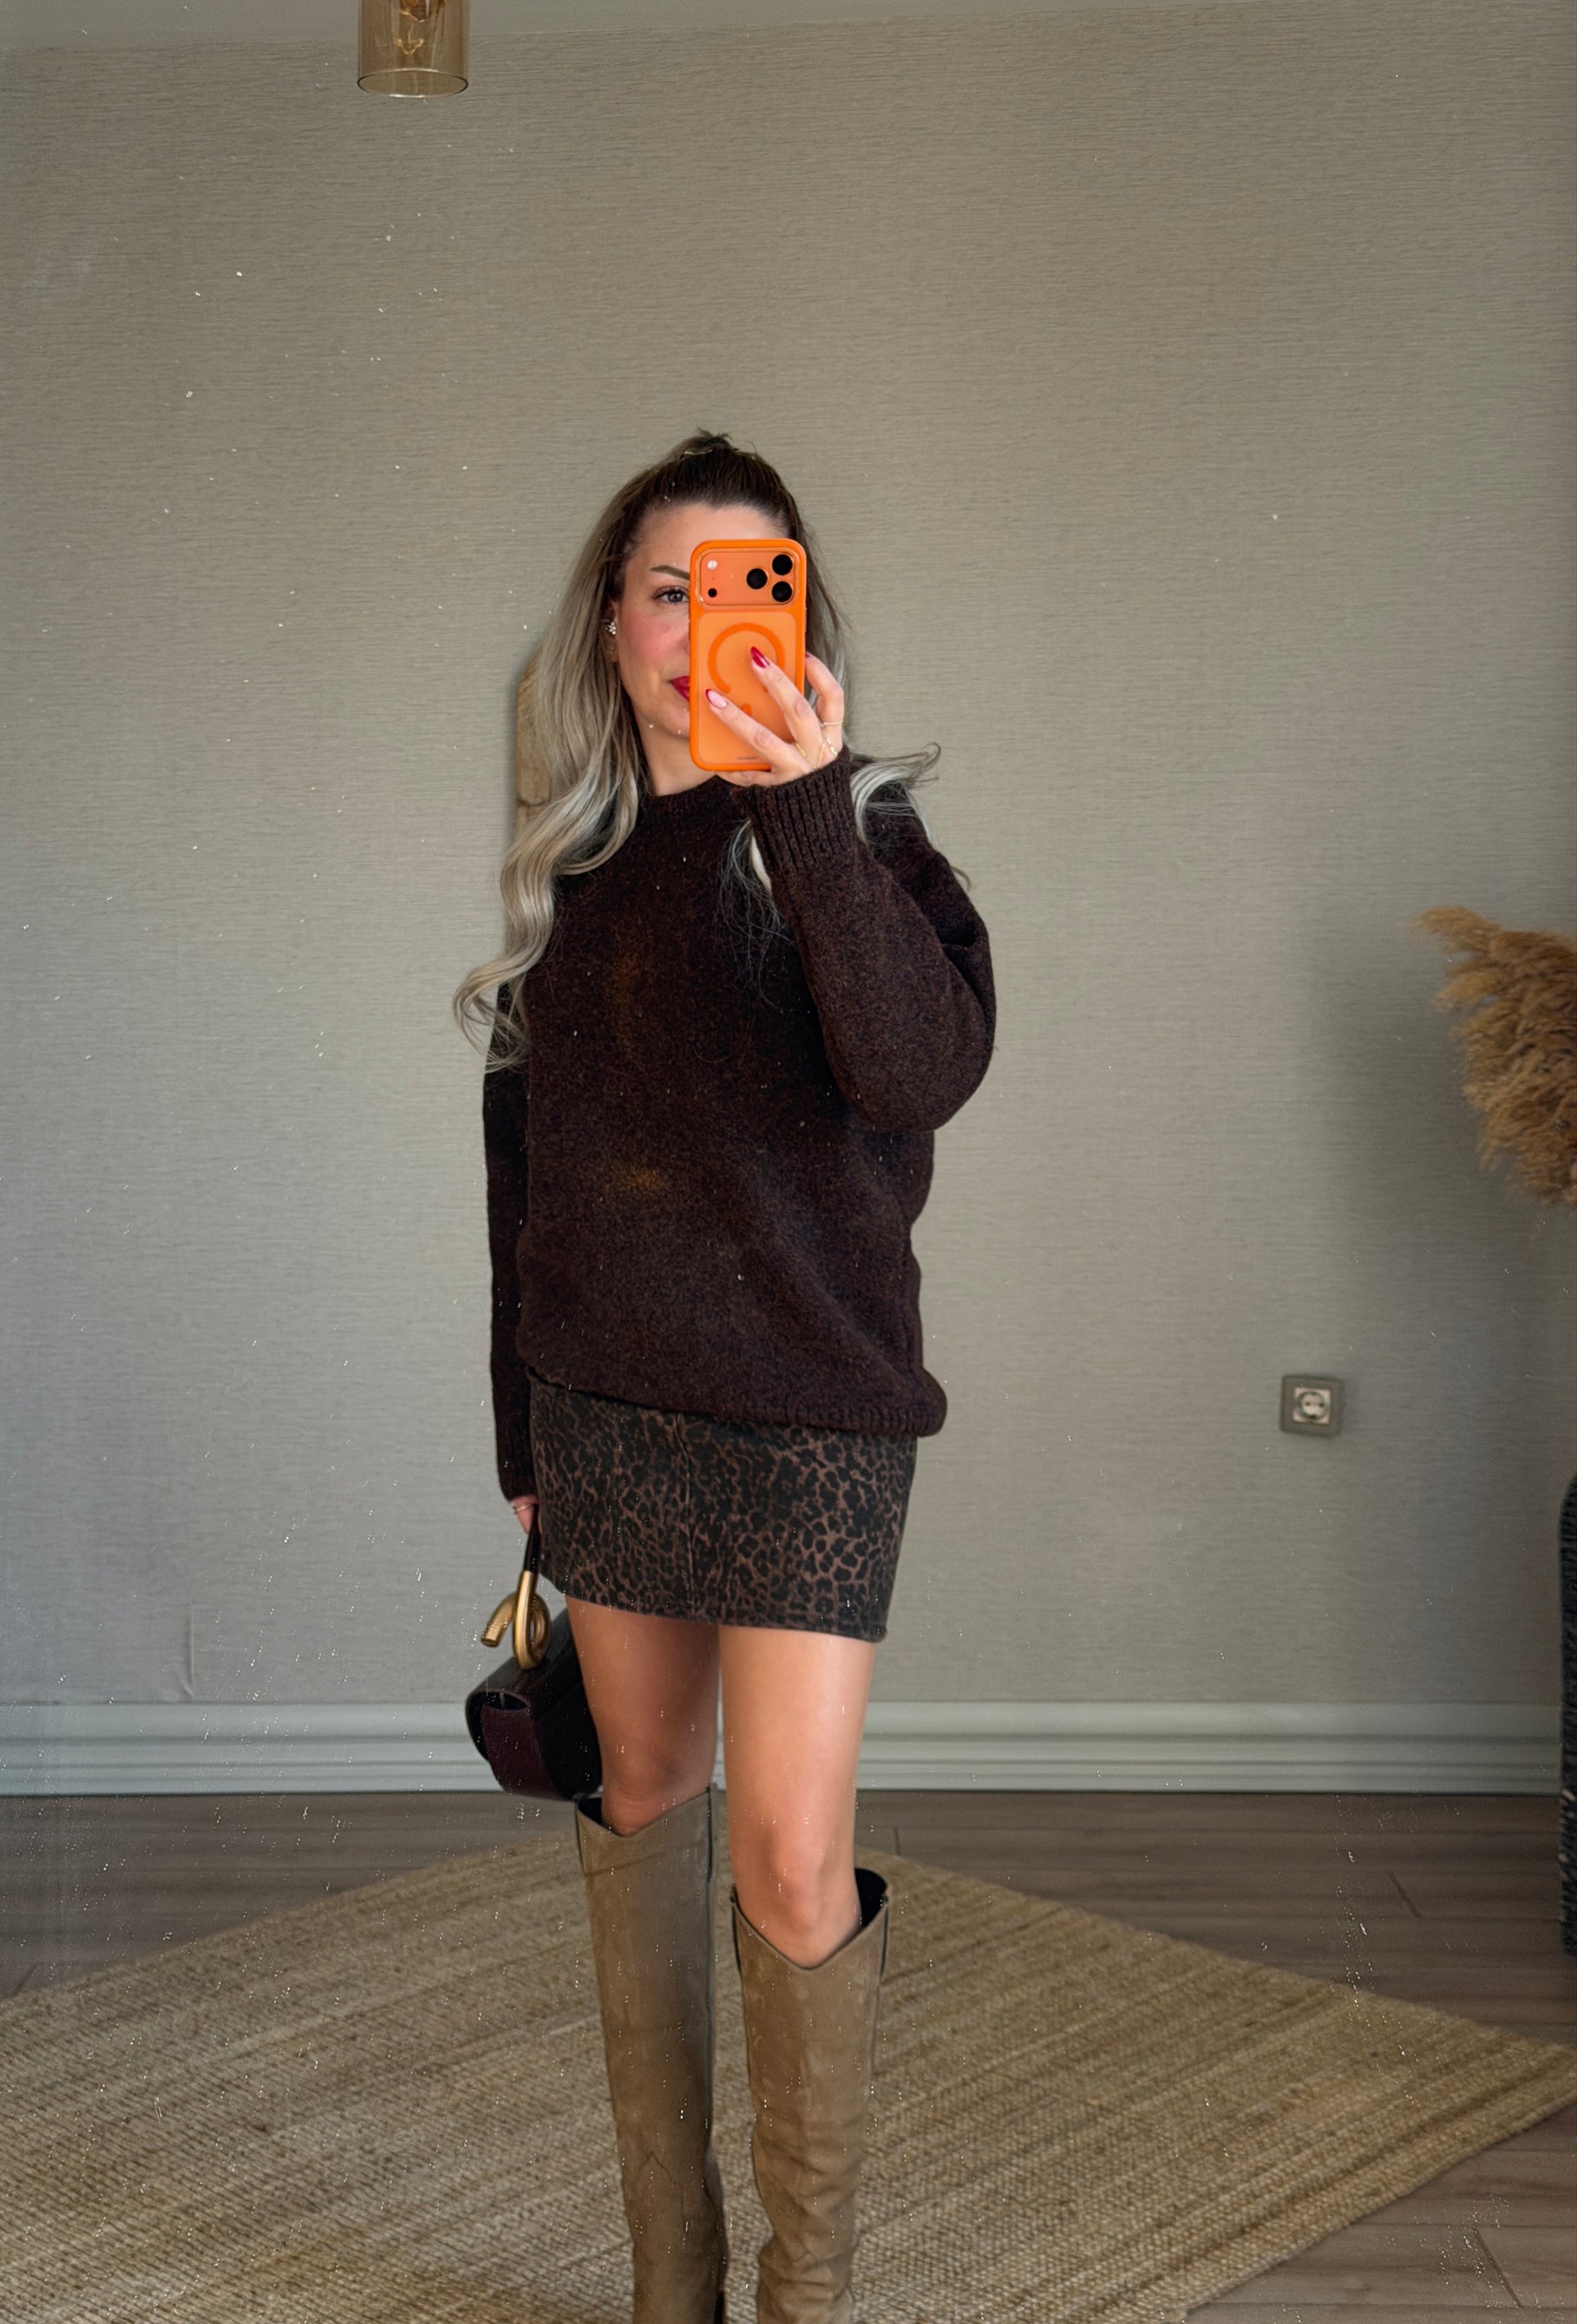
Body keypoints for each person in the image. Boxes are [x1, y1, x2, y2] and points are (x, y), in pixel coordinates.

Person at [455, 430, 996, 2324]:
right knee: (645, 1802)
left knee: (785, 1854)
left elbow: (916, 1073)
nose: (702, 625)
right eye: (669, 589)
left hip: (814, 1417)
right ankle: (668, 2289)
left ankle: (800, 2303)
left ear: (800, 623)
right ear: (610, 627)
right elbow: (525, 1198)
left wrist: (807, 807)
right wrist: (522, 1438)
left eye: (745, 587)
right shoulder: (574, 881)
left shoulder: (869, 847)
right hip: (610, 1411)